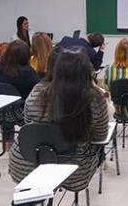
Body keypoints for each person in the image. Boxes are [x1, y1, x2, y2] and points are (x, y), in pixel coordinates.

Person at [8, 50, 109, 191]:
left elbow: (29, 125)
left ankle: (32, 199)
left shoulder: (37, 91)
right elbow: (101, 135)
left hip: (27, 165)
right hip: (74, 171)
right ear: (87, 71)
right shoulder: (94, 97)